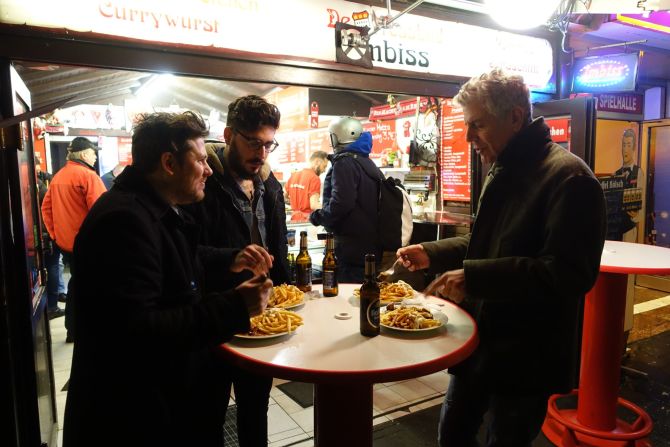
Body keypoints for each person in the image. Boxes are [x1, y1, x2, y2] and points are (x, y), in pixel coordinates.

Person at [397, 69, 607, 446]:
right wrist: (431, 252)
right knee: (452, 435)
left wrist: (474, 279)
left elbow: (570, 274)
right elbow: (485, 244)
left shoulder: (570, 179)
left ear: (514, 117)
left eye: (477, 124)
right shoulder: (503, 167)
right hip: (480, 341)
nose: (467, 137)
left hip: (525, 357)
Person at [62, 111, 273, 447]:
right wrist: (236, 305)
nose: (208, 170)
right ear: (169, 163)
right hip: (135, 421)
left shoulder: (151, 207)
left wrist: (231, 258)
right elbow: (141, 332)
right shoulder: (123, 221)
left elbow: (176, 257)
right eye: (202, 160)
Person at [187, 95, 289, 446]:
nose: (261, 153)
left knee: (255, 412)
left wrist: (289, 294)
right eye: (253, 142)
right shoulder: (201, 185)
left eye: (268, 144)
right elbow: (185, 254)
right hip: (214, 320)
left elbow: (279, 248)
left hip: (260, 322)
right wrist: (230, 257)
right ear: (229, 134)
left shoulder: (270, 186)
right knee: (207, 417)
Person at [41, 136, 107, 340]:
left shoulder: (59, 176)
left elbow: (46, 208)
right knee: (90, 286)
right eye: (93, 153)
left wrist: (55, 235)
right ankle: (83, 329)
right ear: (85, 154)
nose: (95, 157)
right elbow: (102, 212)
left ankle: (73, 328)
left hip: (66, 245)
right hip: (89, 244)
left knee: (77, 283)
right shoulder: (88, 176)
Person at [309, 117, 380, 282]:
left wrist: (318, 216)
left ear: (337, 137)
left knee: (347, 298)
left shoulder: (344, 162)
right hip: (369, 247)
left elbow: (342, 203)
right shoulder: (365, 161)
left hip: (351, 250)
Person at [614, 128, 644, 243]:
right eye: (624, 145)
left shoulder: (638, 172)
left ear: (634, 148)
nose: (625, 149)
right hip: (616, 226)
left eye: (629, 145)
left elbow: (642, 207)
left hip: (629, 228)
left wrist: (636, 215)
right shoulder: (616, 174)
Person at [285, 150, 328, 221]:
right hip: (307, 220)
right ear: (317, 162)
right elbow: (314, 205)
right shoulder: (314, 178)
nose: (324, 170)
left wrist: (295, 204)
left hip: (294, 220)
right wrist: (329, 210)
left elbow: (283, 197)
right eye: (324, 166)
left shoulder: (294, 175)